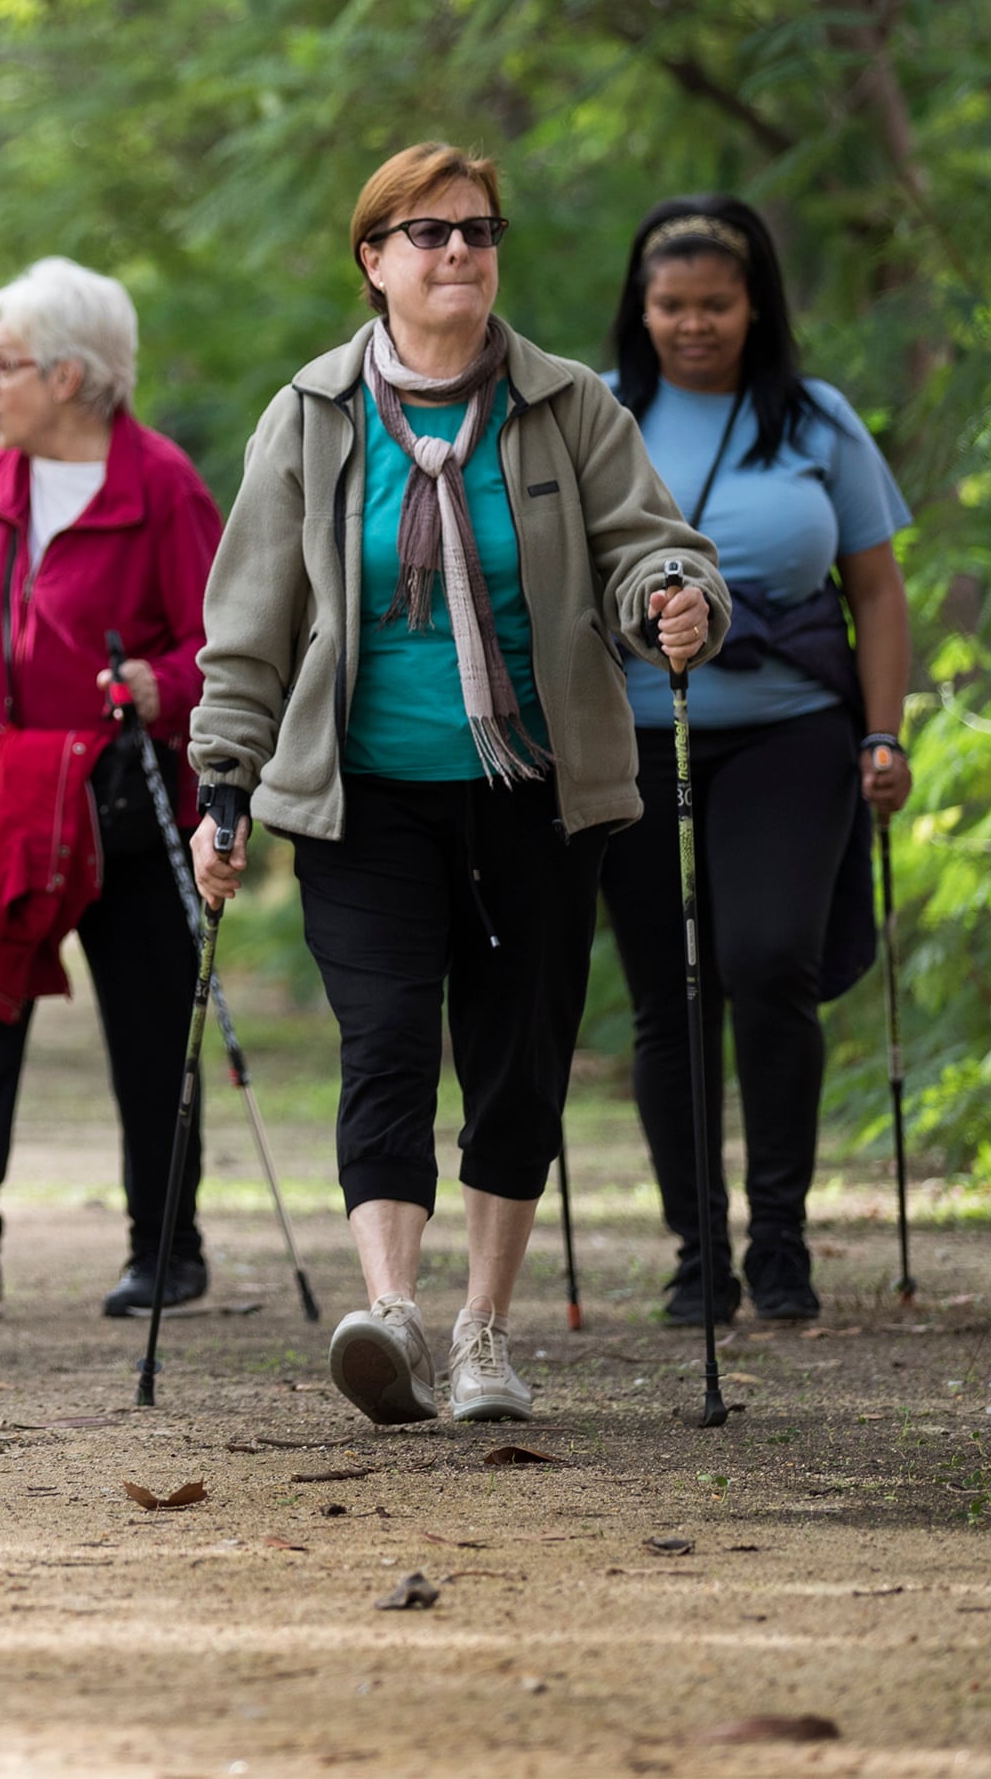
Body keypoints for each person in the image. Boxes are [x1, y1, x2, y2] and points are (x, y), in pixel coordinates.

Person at [186, 142, 724, 1429]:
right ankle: (392, 1315)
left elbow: (647, 542)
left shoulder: (570, 405)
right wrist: (222, 786)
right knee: (381, 1046)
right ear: (372, 261)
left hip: (536, 791)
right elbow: (250, 621)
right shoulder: (310, 414)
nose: (457, 254)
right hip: (364, 793)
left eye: (477, 231)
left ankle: (482, 1330)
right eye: (426, 234)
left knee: (514, 1056)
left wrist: (671, 597)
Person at [0, 259, 224, 1323]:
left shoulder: (160, 485)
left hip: (129, 798)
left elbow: (227, 649)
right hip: (11, 796)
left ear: (71, 374)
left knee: (151, 1019)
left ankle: (164, 1247)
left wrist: (157, 683)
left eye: (5, 363)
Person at [599, 197, 914, 1326]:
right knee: (665, 994)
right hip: (634, 733)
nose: (692, 325)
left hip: (790, 728)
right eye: (671, 304)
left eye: (714, 304)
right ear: (640, 309)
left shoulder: (813, 420)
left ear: (753, 305)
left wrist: (883, 732)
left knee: (767, 958)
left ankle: (779, 1235)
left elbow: (874, 590)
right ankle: (699, 1250)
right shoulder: (598, 415)